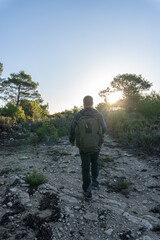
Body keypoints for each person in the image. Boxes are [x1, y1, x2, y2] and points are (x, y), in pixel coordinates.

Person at [69, 95, 107, 200]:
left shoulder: (78, 115)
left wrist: (72, 140)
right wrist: (97, 137)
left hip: (83, 146)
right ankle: (95, 183)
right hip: (96, 145)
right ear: (92, 102)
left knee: (85, 168)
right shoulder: (99, 115)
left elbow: (72, 129)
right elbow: (104, 128)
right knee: (95, 163)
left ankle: (87, 191)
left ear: (83, 103)